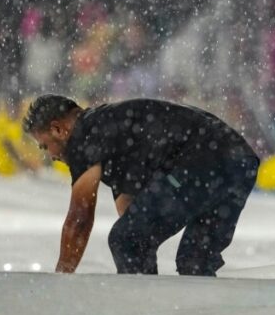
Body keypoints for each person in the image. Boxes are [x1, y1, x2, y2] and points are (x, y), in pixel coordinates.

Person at [24, 95, 260, 276]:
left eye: (45, 146)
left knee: (126, 240)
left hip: (204, 160)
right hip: (239, 162)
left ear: (58, 129)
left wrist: (60, 280)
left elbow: (80, 218)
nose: (51, 156)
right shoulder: (112, 138)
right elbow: (132, 212)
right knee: (194, 261)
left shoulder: (85, 137)